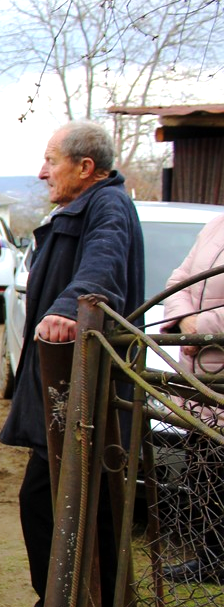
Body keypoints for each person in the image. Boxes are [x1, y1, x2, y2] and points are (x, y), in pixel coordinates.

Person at [0, 121, 144, 607]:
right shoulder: (84, 207)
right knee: (62, 502)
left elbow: (104, 262)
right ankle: (73, 593)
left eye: (51, 161)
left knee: (60, 503)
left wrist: (68, 306)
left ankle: (74, 596)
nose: (42, 173)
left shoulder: (108, 205)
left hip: (86, 394)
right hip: (69, 394)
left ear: (85, 167)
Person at [159, 212, 224, 583]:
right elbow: (179, 279)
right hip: (200, 373)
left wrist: (205, 326)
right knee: (205, 471)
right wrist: (186, 322)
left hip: (218, 370)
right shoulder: (216, 225)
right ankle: (210, 558)